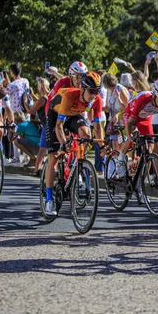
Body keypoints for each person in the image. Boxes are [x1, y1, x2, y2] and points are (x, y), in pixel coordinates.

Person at [43, 71, 103, 216]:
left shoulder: (96, 100)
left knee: (86, 134)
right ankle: (49, 200)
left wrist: (102, 146)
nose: (94, 95)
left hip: (73, 114)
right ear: (82, 88)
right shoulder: (70, 95)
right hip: (55, 115)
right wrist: (64, 143)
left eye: (97, 91)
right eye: (92, 91)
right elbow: (58, 126)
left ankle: (77, 164)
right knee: (55, 156)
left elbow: (97, 126)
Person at [24, 77, 50, 176]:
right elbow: (41, 101)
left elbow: (31, 111)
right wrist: (33, 95)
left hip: (46, 125)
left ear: (41, 87)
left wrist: (25, 102)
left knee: (41, 150)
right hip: (51, 124)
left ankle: (36, 170)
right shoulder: (48, 96)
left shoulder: (42, 99)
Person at [102, 73, 130, 151]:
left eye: (111, 86)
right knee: (114, 144)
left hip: (122, 121)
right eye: (108, 86)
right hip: (113, 121)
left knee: (121, 144)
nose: (110, 88)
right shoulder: (108, 91)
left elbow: (128, 107)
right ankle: (116, 161)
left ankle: (122, 161)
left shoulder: (120, 89)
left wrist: (118, 113)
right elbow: (108, 108)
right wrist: (99, 108)